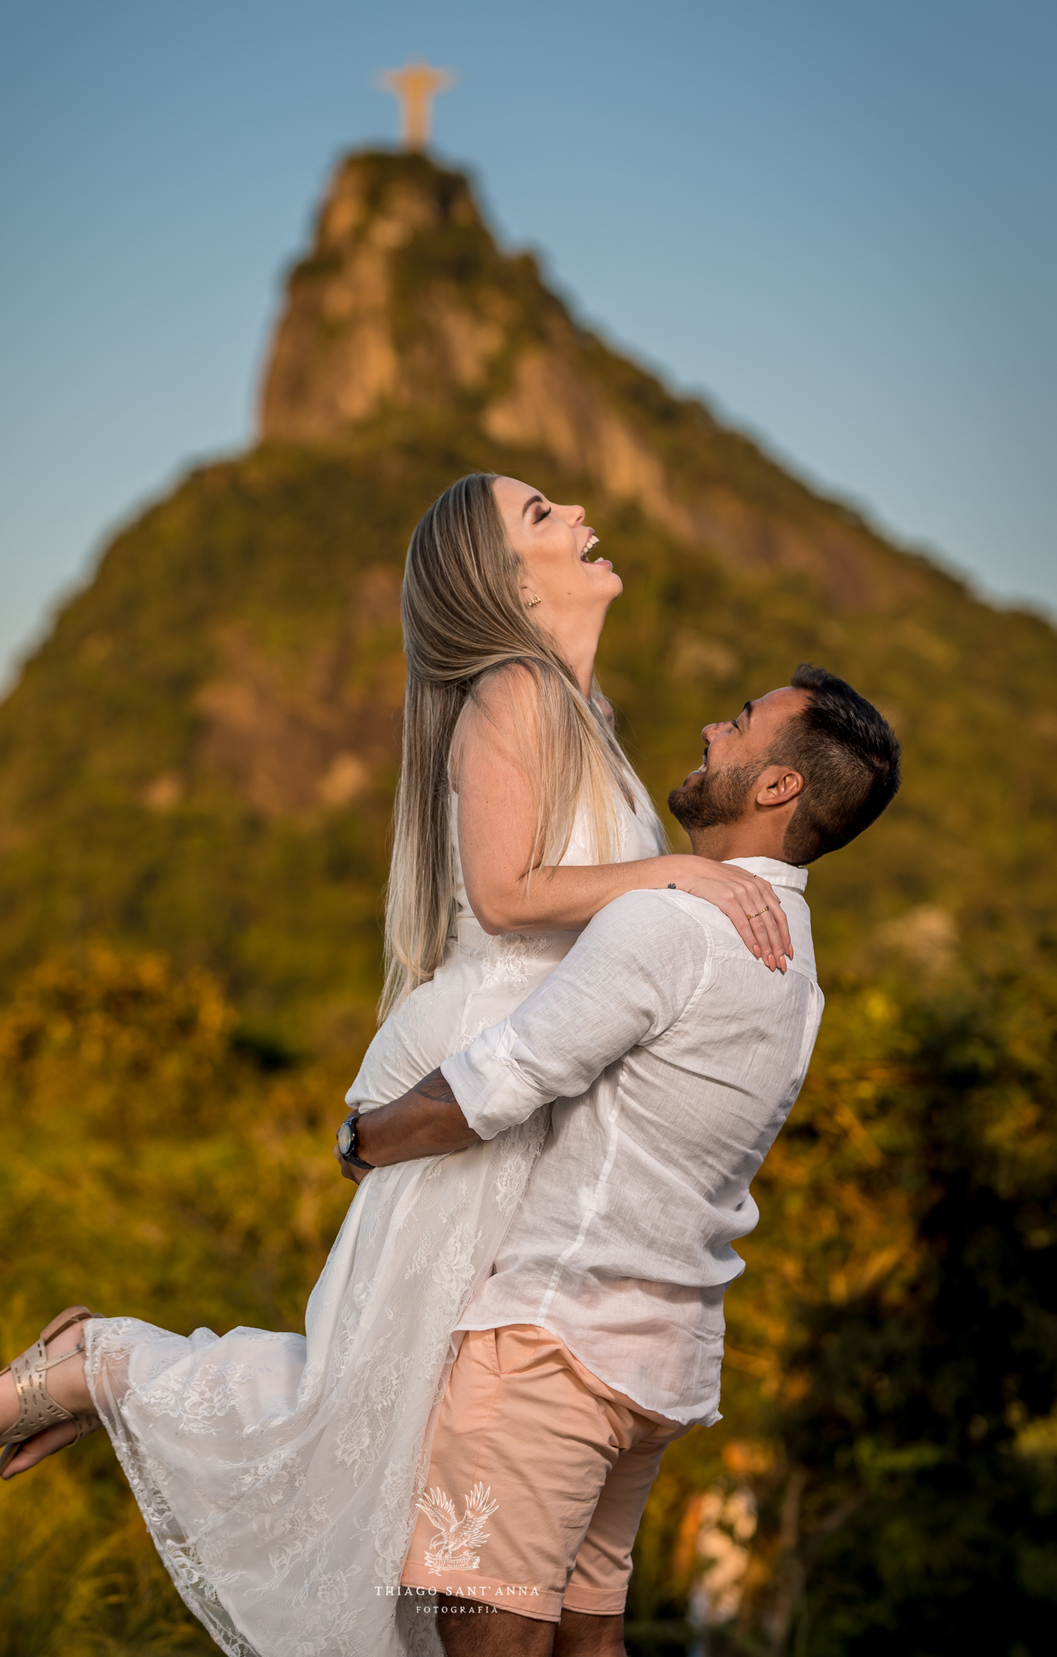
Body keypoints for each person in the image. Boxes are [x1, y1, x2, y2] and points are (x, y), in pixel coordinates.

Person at [0, 473, 792, 1657]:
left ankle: (112, 1376)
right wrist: (683, 875)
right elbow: (506, 899)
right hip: (485, 1077)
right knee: (354, 1407)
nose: (578, 515)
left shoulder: (583, 710)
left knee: (417, 1433)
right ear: (502, 578)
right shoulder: (515, 690)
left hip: (540, 1092)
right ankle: (102, 1364)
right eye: (542, 514)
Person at [341, 665, 901, 1655]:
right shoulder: (797, 967)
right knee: (590, 1643)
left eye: (740, 724)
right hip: (652, 1367)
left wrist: (366, 1139)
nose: (710, 728)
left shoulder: (672, 925)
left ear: (779, 787)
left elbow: (497, 1084)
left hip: (547, 1356)